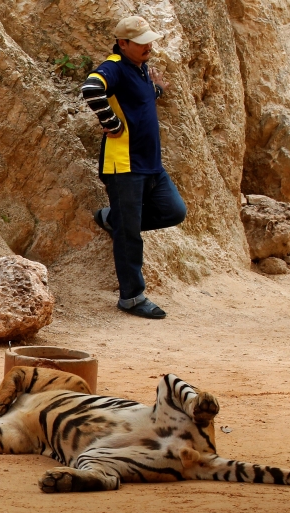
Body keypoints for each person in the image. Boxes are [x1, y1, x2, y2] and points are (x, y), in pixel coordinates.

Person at [81, 16, 187, 319]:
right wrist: (110, 123)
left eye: (149, 41)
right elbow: (91, 89)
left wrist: (158, 91)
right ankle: (131, 298)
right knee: (130, 235)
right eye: (141, 43)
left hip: (151, 165)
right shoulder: (114, 66)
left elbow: (138, 102)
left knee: (174, 211)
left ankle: (114, 219)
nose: (148, 46)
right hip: (124, 166)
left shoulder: (139, 68)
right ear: (123, 43)